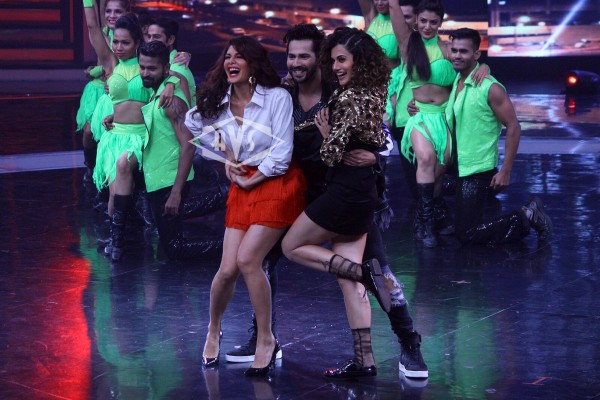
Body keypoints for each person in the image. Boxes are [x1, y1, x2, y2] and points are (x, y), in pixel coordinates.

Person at [184, 36, 306, 377]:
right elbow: (193, 122)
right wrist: (227, 154)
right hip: (243, 184)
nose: (231, 62)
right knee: (227, 270)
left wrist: (253, 178)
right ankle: (213, 330)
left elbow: (282, 153)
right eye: (227, 56)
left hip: (277, 182)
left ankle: (266, 339)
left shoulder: (276, 97)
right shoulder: (219, 101)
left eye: (239, 56)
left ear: (253, 64)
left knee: (248, 259)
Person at [281, 27, 397, 379]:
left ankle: (406, 340)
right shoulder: (286, 93)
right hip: (339, 194)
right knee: (349, 282)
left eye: (340, 60)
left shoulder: (343, 95)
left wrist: (367, 152)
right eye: (291, 56)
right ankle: (365, 360)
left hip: (342, 194)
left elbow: (351, 148)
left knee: (292, 247)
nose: (336, 66)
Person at [82, 1, 176, 261]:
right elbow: (93, 27)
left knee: (124, 168)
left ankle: (119, 240)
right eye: (116, 42)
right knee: (113, 196)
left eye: (125, 42)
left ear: (137, 42)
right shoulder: (112, 63)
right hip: (114, 135)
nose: (119, 47)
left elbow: (170, 72)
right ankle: (117, 236)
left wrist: (170, 83)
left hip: (141, 136)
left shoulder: (146, 63)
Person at [391, 0, 487, 247]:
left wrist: (484, 66)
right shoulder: (408, 44)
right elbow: (394, 10)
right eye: (423, 20)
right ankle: (424, 222)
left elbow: (468, 63)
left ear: (440, 23)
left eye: (433, 22)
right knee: (425, 159)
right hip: (420, 116)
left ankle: (435, 212)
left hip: (444, 117)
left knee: (439, 171)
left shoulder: (447, 48)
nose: (427, 26)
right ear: (416, 20)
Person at [446, 28, 552, 244]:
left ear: (476, 54)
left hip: (477, 169)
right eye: (454, 50)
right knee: (436, 194)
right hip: (458, 165)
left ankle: (528, 214)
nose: (457, 55)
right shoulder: (457, 80)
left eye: (463, 51)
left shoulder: (490, 88)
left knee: (467, 235)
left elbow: (513, 126)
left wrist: (506, 170)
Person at [77, 0, 129, 181]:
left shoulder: (136, 40)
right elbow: (93, 25)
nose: (112, 15)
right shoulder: (105, 37)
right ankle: (92, 168)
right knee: (90, 133)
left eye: (118, 11)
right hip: (104, 94)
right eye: (109, 11)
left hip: (129, 100)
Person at [145, 18, 196, 106]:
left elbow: (182, 111)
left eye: (156, 37)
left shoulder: (179, 66)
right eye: (149, 37)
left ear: (170, 40)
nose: (150, 41)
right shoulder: (156, 63)